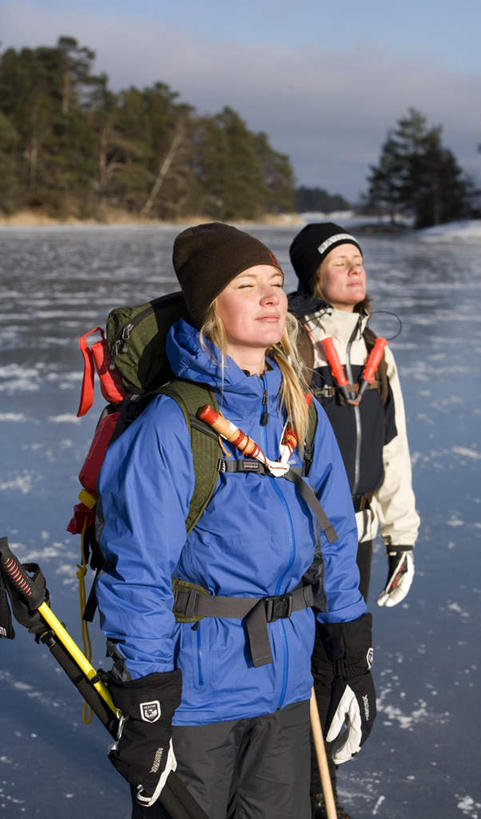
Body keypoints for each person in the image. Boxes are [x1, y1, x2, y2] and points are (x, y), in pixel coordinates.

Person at [95, 222, 376, 819]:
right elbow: (138, 572)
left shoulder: (299, 409)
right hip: (197, 698)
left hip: (287, 685)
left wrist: (350, 651)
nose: (273, 297)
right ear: (209, 309)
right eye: (247, 285)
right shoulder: (170, 427)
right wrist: (146, 700)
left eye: (275, 282)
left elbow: (336, 539)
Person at [288, 222, 420, 818]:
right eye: (338, 260)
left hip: (357, 533)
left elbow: (394, 450)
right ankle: (298, 778)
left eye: (357, 258)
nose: (353, 267)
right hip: (298, 527)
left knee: (341, 651)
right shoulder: (290, 338)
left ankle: (319, 775)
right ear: (313, 276)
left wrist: (402, 537)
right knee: (303, 652)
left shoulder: (375, 350)